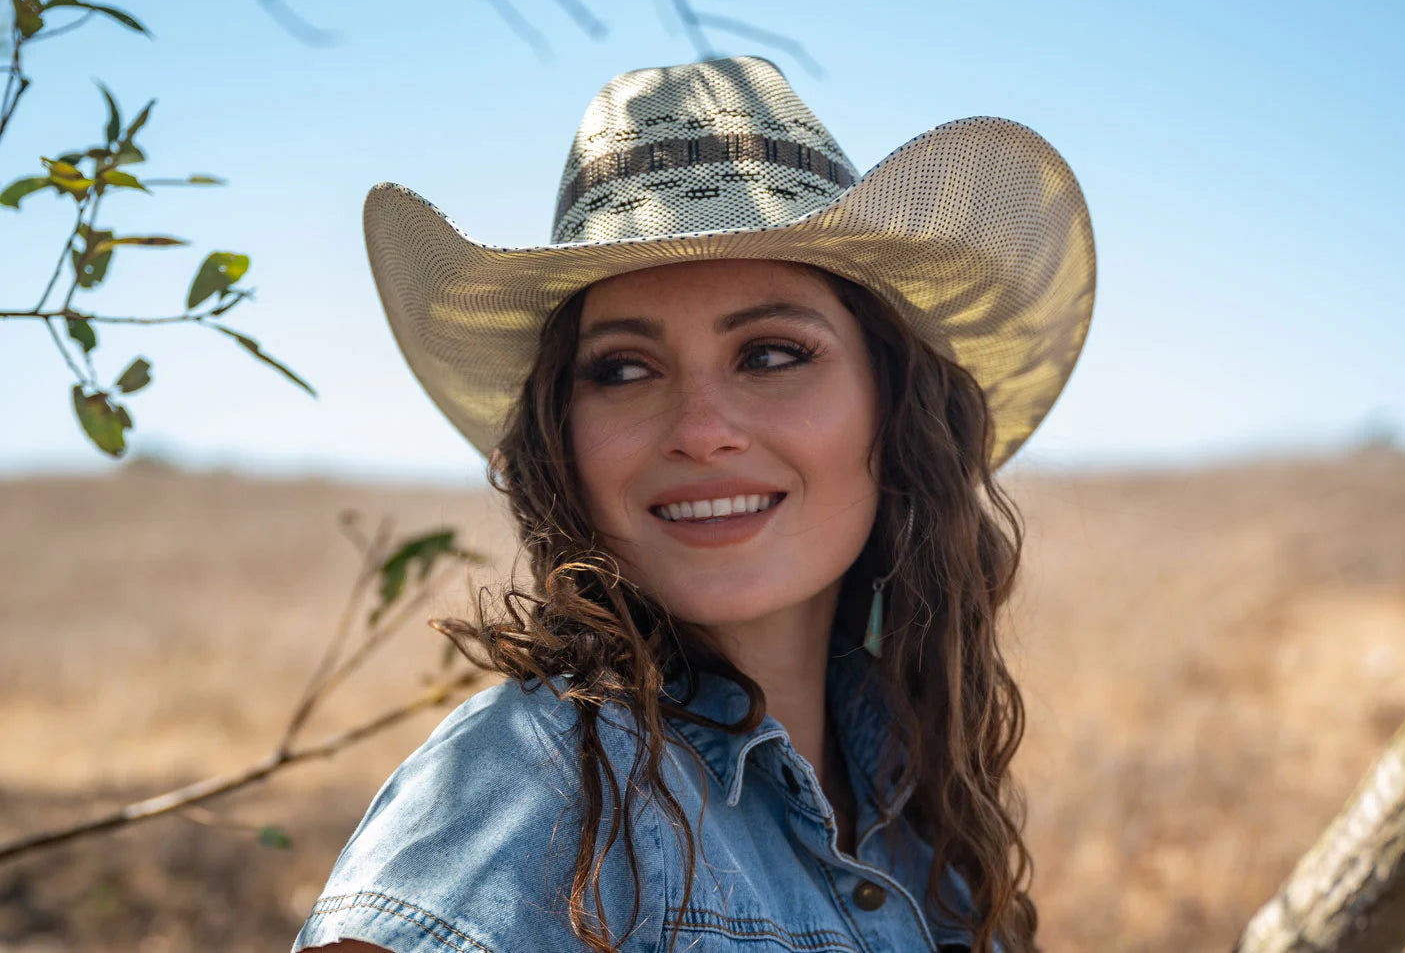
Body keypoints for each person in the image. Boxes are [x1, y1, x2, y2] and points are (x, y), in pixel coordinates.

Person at [293, 54, 1095, 953]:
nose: (701, 430)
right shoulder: (528, 795)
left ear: (895, 402)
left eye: (771, 354)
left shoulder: (912, 790)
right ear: (562, 438)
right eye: (624, 370)